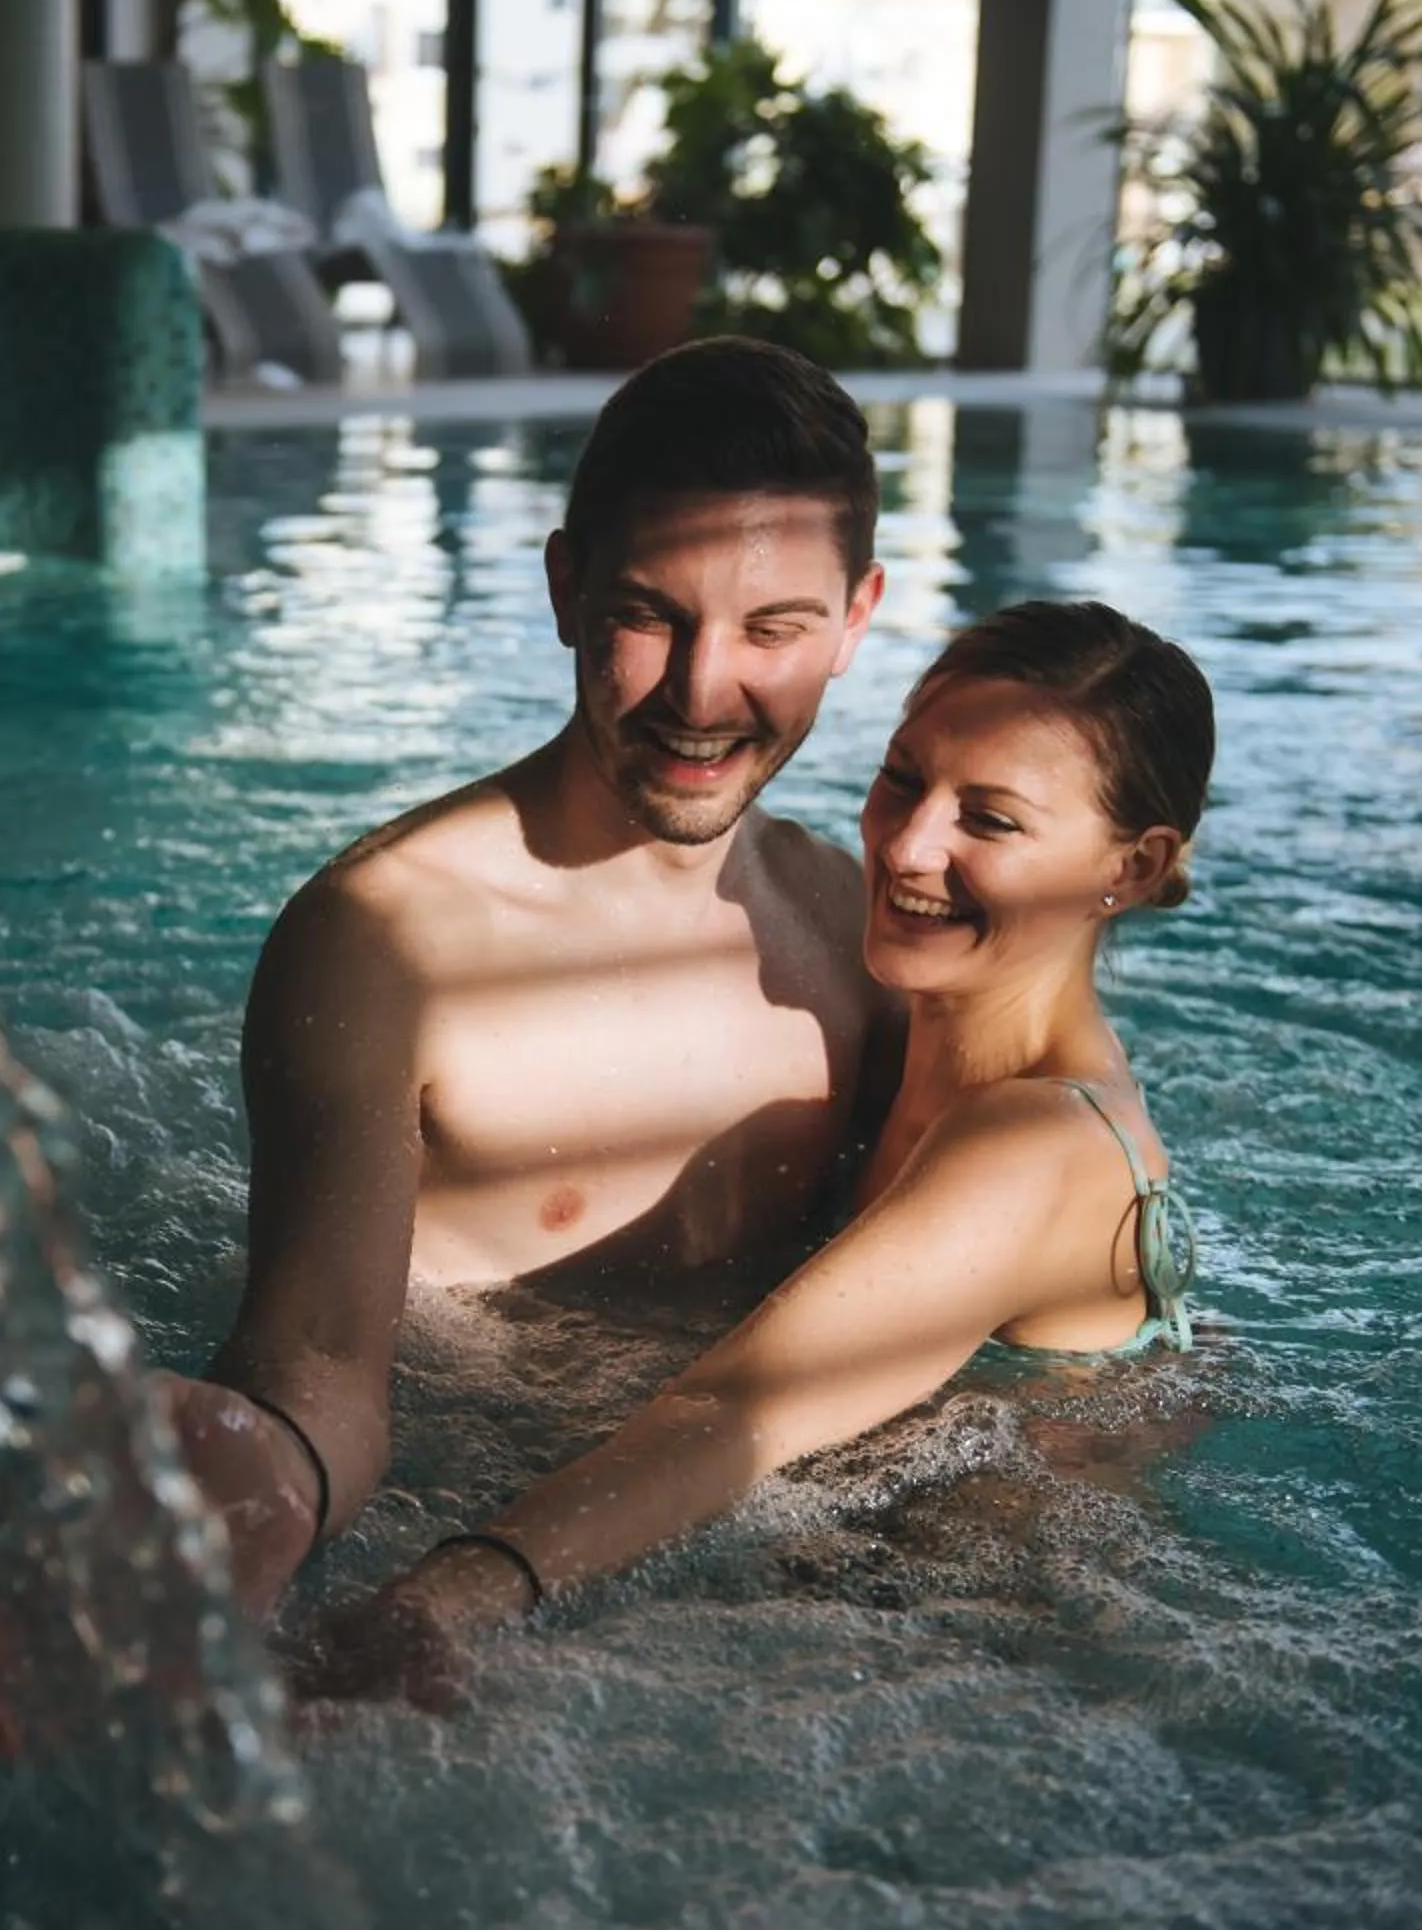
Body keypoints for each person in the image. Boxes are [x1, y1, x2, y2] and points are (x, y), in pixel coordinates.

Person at [282, 598, 1214, 1709]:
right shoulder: (897, 1033)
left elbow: (738, 1409)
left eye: (993, 822)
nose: (909, 846)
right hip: (836, 1601)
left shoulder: (1042, 1142)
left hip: (986, 1672)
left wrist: (447, 1594)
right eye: (904, 779)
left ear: (1138, 863)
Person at [159, 336, 900, 1622]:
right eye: (648, 617)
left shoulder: (855, 921)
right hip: (458, 1524)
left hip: (738, 1530)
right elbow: (323, 1351)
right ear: (565, 588)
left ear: (855, 620)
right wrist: (254, 1478)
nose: (702, 690)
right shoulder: (389, 938)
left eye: (771, 628)